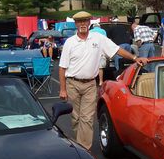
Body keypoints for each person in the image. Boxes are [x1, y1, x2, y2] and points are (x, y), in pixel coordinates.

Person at [59, 11, 148, 150]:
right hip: (72, 84)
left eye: (85, 21)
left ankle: (84, 149)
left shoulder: (98, 38)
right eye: (79, 21)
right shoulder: (70, 42)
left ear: (89, 23)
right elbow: (62, 67)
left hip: (89, 84)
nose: (82, 24)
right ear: (76, 24)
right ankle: (79, 144)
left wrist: (135, 58)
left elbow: (117, 49)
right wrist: (63, 89)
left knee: (87, 119)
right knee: (75, 118)